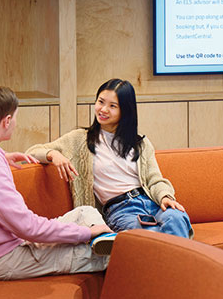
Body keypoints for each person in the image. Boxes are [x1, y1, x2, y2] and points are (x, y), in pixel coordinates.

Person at [0, 85, 113, 280]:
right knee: (109, 257)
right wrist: (85, 233)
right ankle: (102, 241)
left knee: (86, 212)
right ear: (7, 121)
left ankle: (102, 239)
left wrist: (1, 156)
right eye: (15, 117)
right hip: (2, 257)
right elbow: (28, 228)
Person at [27, 78, 193, 239]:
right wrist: (53, 154)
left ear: (125, 111)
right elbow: (33, 152)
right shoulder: (79, 140)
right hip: (119, 210)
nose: (103, 109)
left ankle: (172, 264)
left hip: (151, 202)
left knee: (177, 218)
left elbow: (154, 180)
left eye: (112, 106)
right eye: (100, 102)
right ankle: (178, 264)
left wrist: (164, 196)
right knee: (150, 237)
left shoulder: (140, 143)